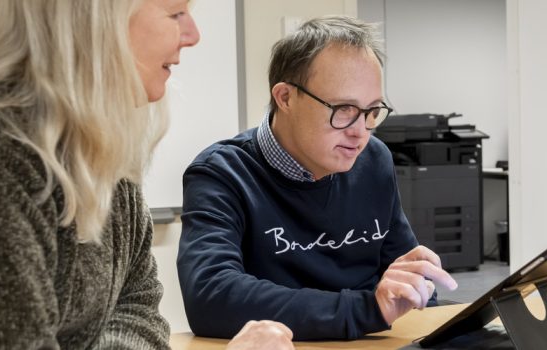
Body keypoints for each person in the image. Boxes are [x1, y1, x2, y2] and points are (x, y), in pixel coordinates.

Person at [0, 0, 293, 349]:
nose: (193, 35)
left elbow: (139, 309)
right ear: (94, 20)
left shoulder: (101, 151)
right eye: (175, 14)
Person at [177, 15, 459, 341]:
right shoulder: (222, 173)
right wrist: (368, 309)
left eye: (371, 112)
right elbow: (211, 296)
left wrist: (417, 290)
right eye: (343, 109)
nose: (359, 132)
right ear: (285, 98)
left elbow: (405, 273)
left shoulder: (374, 159)